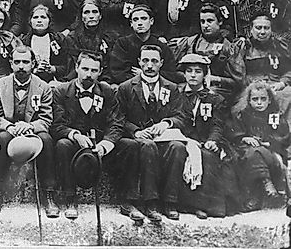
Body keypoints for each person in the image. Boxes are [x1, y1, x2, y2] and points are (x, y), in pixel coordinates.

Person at [113, 43, 188, 222]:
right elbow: (117, 118)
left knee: (177, 147)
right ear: (139, 62)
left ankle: (170, 201)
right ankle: (150, 202)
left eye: (154, 61)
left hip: (162, 137)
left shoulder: (171, 88)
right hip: (136, 138)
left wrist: (166, 123)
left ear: (161, 63)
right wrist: (136, 131)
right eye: (145, 60)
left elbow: (180, 116)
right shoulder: (125, 87)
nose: (149, 65)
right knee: (147, 146)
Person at [52, 51, 124, 219]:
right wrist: (75, 135)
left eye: (94, 70)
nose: (89, 74)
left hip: (99, 144)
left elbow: (116, 123)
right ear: (76, 68)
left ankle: (127, 199)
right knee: (62, 145)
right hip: (74, 143)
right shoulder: (62, 91)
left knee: (129, 145)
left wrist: (105, 144)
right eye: (85, 69)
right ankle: (70, 197)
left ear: (100, 72)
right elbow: (57, 125)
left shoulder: (107, 91)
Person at [0, 45, 59, 216]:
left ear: (33, 64)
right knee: (3, 138)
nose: (21, 66)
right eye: (17, 62)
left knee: (47, 140)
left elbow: (46, 118)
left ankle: (48, 194)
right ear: (11, 63)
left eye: (26, 62)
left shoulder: (43, 87)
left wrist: (30, 126)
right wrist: (11, 127)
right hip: (9, 129)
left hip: (32, 130)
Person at [176, 53, 236, 218]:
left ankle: (204, 205)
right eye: (189, 71)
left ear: (205, 74)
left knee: (208, 156)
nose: (193, 75)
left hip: (207, 140)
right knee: (179, 151)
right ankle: (181, 203)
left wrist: (212, 140)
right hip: (183, 138)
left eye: (198, 71)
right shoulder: (176, 94)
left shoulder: (216, 99)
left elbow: (218, 124)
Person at [227, 80, 291, 212]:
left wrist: (268, 142)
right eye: (255, 99)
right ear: (249, 100)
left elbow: (284, 137)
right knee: (252, 154)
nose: (259, 103)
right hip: (248, 152)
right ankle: (264, 187)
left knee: (257, 152)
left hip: (271, 151)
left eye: (263, 99)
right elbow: (234, 133)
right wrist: (245, 137)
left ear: (269, 100)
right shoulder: (242, 114)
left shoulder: (275, 116)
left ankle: (263, 190)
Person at [107, 4, 180, 84]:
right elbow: (118, 71)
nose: (140, 23)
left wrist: (144, 75)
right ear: (131, 23)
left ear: (151, 21)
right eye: (135, 20)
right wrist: (139, 79)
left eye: (144, 19)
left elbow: (171, 74)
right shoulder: (122, 44)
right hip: (130, 86)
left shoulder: (162, 46)